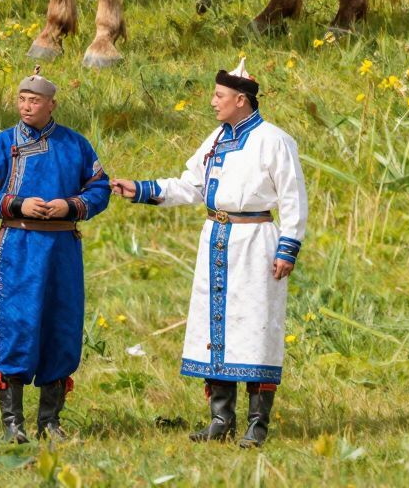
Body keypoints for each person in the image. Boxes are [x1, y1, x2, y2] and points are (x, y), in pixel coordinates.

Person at [111, 58, 307, 448]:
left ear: (240, 99)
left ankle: (257, 424)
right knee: (214, 329)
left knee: (256, 327)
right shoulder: (216, 139)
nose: (212, 102)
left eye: (218, 96)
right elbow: (191, 186)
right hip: (215, 239)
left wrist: (289, 246)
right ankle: (221, 419)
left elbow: (293, 197)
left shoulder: (274, 140)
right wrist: (142, 190)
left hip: (255, 242)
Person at [0, 72, 110, 443]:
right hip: (20, 246)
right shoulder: (3, 144)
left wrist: (70, 205)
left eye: (34, 101)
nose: (26, 106)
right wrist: (17, 204)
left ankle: (50, 421)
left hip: (63, 250)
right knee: (16, 325)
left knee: (60, 326)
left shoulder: (76, 145)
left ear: (52, 105)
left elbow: (100, 188)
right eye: (22, 99)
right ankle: (12, 424)